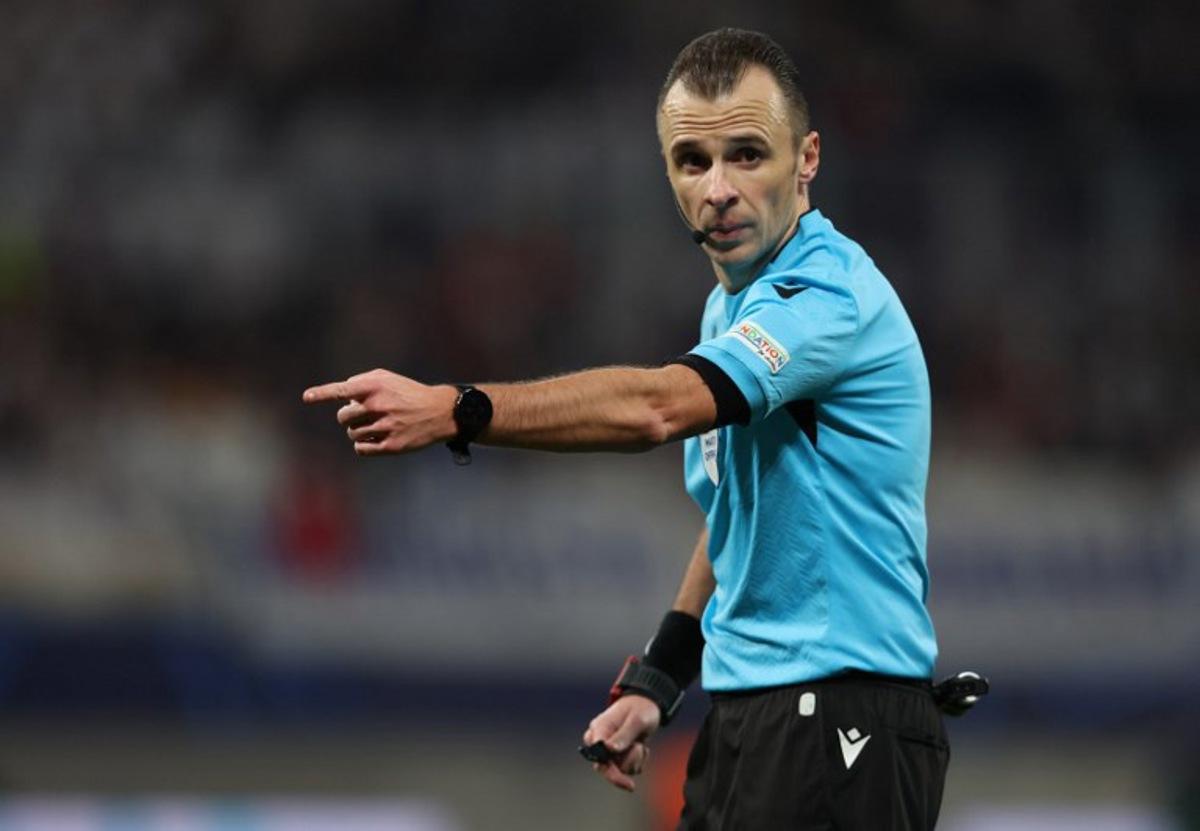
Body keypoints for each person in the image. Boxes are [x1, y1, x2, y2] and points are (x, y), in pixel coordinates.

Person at [304, 28, 949, 830]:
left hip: (843, 716)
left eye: (748, 154)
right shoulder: (732, 310)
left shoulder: (827, 296)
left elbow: (655, 407)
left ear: (807, 158)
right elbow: (736, 520)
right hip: (753, 711)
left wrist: (458, 408)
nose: (718, 188)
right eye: (692, 161)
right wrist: (661, 675)